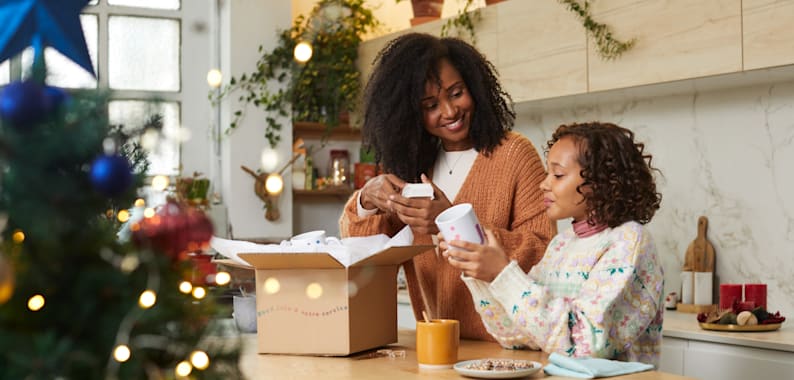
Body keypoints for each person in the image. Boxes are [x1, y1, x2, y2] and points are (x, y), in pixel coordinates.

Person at [338, 33, 554, 341]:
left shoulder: (515, 154)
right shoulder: (409, 168)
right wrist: (367, 200)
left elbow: (544, 253)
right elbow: (363, 255)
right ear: (410, 113)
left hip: (507, 347)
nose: (450, 112)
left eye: (456, 93)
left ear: (475, 88)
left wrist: (452, 221)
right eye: (430, 105)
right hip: (436, 347)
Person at [441, 122, 664, 365]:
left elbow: (584, 344)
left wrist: (503, 274)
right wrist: (482, 273)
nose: (544, 184)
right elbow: (516, 335)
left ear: (600, 182)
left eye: (557, 175)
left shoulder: (629, 242)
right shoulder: (562, 244)